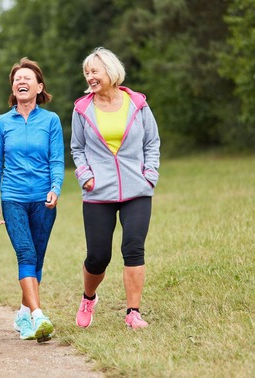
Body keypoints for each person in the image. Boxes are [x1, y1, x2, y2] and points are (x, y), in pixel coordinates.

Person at [70, 47, 160, 329]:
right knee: (98, 256)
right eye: (87, 72)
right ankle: (88, 297)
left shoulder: (138, 104)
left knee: (133, 247)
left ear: (110, 71)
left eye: (94, 71)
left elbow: (151, 142)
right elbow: (77, 148)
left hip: (137, 189)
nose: (90, 77)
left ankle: (133, 312)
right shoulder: (82, 109)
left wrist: (149, 175)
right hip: (98, 192)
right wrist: (85, 176)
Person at [0, 57, 64, 342]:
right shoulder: (1, 123)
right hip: (14, 198)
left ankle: (23, 313)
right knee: (26, 254)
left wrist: (56, 187)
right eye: (17, 78)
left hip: (44, 199)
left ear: (39, 87)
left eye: (27, 78)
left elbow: (57, 159)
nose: (21, 81)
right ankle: (38, 315)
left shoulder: (51, 120)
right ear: (13, 87)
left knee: (37, 258)